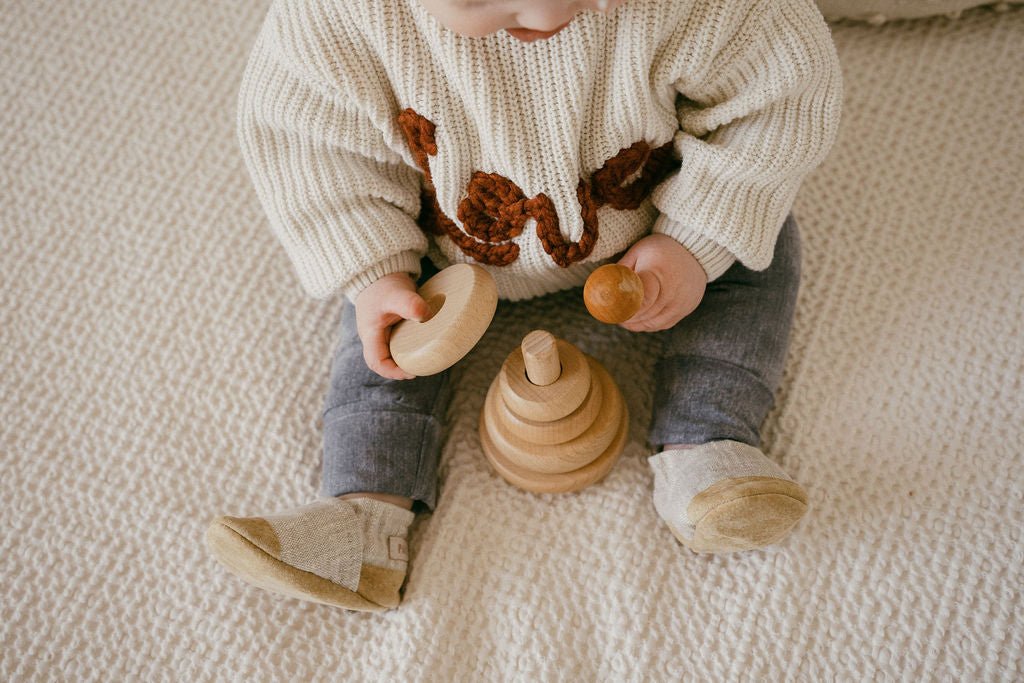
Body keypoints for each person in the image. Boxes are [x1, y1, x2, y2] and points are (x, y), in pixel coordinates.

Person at [206, 0, 843, 611]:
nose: (548, 16)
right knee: (386, 336)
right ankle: (365, 518)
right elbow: (314, 150)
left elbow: (777, 101)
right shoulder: (338, 22)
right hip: (439, 253)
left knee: (759, 241)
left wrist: (695, 241)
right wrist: (376, 269)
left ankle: (707, 448)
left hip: (660, 227)